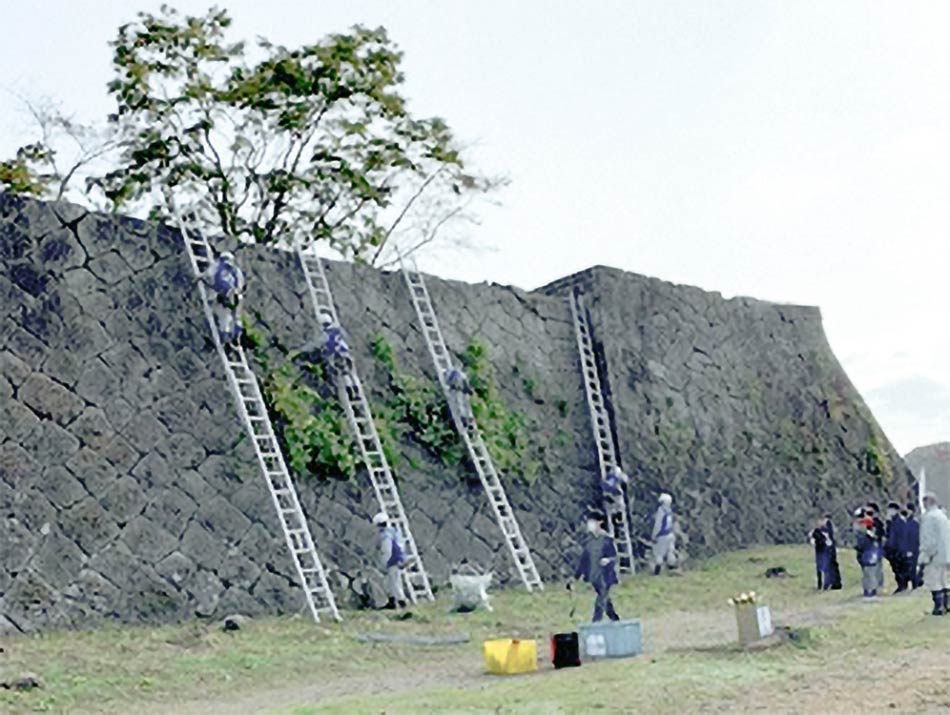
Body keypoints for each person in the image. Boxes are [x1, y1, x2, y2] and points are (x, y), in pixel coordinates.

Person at [572, 509, 620, 622]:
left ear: (600, 523)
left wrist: (608, 560)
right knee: (605, 601)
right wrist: (575, 577)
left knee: (600, 602)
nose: (589, 524)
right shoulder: (588, 540)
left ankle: (595, 624)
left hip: (605, 576)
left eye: (592, 521)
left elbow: (615, 557)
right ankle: (615, 619)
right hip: (594, 577)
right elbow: (583, 561)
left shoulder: (607, 539)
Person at [201, 250, 244, 344]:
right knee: (233, 317)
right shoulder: (236, 270)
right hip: (235, 298)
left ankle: (224, 336)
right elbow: (240, 285)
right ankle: (234, 334)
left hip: (222, 296)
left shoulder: (218, 266)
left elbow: (207, 274)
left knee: (223, 316)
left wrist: (199, 277)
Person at [917, 492, 950, 616]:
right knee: (945, 581)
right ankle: (947, 605)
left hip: (934, 555)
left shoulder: (929, 518)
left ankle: (938, 607)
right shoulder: (943, 516)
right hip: (946, 554)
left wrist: (924, 556)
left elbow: (928, 539)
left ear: (927, 502)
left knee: (934, 581)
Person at [372, 512, 407, 610]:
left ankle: (401, 602)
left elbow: (386, 550)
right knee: (392, 581)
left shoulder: (385, 536)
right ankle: (392, 601)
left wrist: (384, 563)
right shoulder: (394, 531)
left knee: (395, 582)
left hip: (392, 560)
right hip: (399, 559)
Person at [317, 311, 356, 399]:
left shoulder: (325, 334)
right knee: (350, 372)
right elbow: (346, 339)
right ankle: (355, 389)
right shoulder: (338, 330)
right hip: (346, 353)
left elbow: (324, 346)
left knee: (342, 373)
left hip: (337, 355)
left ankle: (350, 391)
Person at [854, 508, 882, 599]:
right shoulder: (860, 527)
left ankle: (871, 590)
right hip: (864, 551)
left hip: (869, 551)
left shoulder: (865, 525)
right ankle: (868, 589)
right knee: (867, 572)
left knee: (870, 571)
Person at [884, 502, 909, 593]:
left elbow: (899, 536)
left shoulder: (899, 521)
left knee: (900, 567)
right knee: (896, 568)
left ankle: (903, 585)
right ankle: (901, 584)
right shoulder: (891, 522)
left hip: (898, 548)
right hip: (892, 549)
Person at [651, 493, 677, 576]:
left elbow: (658, 524)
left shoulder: (661, 511)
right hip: (670, 533)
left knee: (659, 553)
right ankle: (672, 569)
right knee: (670, 551)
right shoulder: (669, 511)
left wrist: (654, 535)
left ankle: (657, 571)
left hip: (662, 535)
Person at [865, 503, 886, 592]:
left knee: (877, 566)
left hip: (876, 546)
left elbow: (881, 534)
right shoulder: (865, 522)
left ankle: (878, 585)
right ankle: (869, 586)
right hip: (867, 547)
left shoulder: (878, 522)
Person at [809, 517, 834, 590]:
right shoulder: (820, 532)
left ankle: (823, 584)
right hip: (822, 550)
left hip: (821, 550)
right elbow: (829, 542)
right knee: (824, 568)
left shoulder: (819, 532)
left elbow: (812, 541)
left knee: (822, 568)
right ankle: (823, 584)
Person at [905, 503, 922, 589]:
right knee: (909, 568)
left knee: (912, 568)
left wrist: (910, 550)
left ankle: (915, 584)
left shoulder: (914, 523)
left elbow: (913, 538)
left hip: (913, 549)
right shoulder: (907, 521)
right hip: (908, 548)